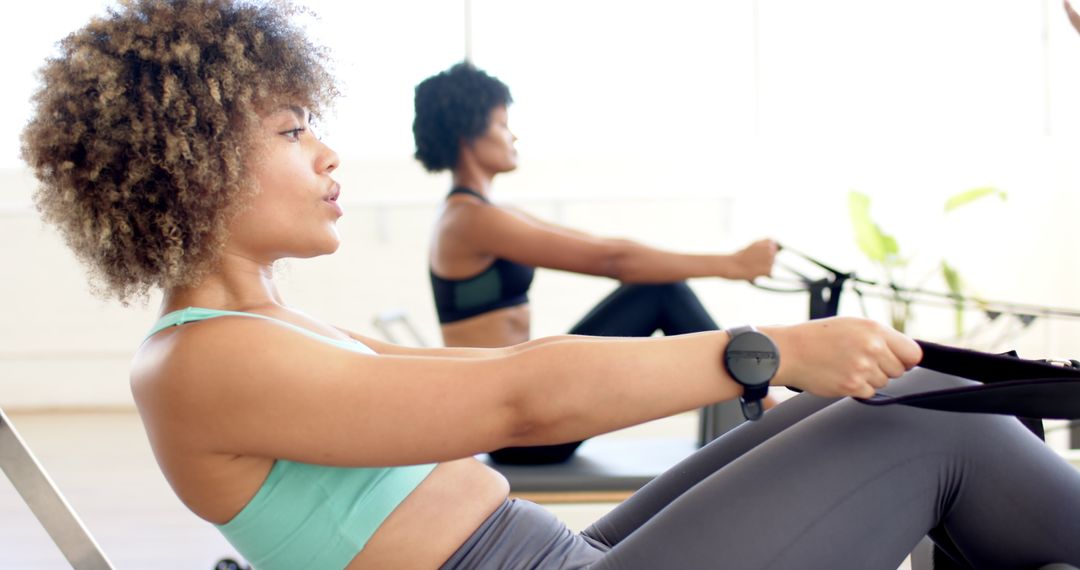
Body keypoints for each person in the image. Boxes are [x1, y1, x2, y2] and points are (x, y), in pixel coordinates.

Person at [20, 1, 1080, 569]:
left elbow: (518, 365)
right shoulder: (200, 359)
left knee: (905, 398)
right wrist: (763, 348)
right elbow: (516, 397)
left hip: (556, 551)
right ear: (191, 160)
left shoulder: (258, 325)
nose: (331, 155)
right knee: (949, 431)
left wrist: (792, 358)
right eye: (295, 131)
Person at [414, 62, 779, 463]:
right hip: (514, 431)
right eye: (503, 124)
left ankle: (758, 402)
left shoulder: (487, 213)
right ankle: (766, 408)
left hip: (525, 409)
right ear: (468, 134)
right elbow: (612, 260)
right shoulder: (469, 220)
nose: (513, 135)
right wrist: (731, 265)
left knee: (657, 288)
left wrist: (731, 262)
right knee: (659, 291)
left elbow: (602, 245)